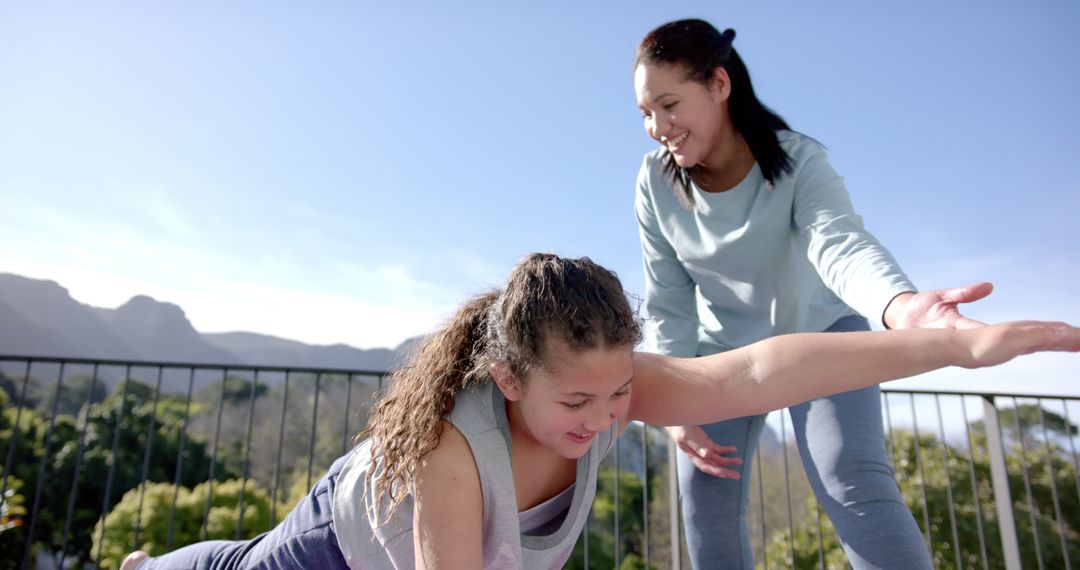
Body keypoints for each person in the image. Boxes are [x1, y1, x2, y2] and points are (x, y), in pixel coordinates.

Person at [121, 253, 1079, 569]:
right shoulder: (451, 454)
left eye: (622, 391)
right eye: (577, 400)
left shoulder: (606, 384)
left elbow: (755, 372)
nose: (607, 414)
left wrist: (950, 345)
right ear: (506, 379)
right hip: (330, 550)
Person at [632, 18, 997, 568]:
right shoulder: (654, 183)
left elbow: (841, 245)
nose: (658, 126)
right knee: (704, 503)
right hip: (722, 355)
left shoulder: (799, 160)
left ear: (719, 84)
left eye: (669, 104)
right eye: (645, 113)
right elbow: (668, 300)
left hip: (823, 334)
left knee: (851, 481)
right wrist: (676, 403)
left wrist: (901, 306)